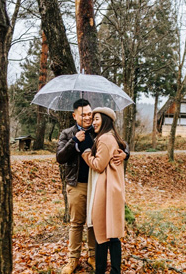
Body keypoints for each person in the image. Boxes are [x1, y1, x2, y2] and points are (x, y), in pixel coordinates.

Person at [56, 99, 128, 274]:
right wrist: (74, 141)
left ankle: (93, 257)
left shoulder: (98, 132)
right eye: (84, 114)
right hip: (77, 184)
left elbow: (119, 144)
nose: (89, 118)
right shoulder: (67, 133)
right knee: (77, 223)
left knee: (95, 224)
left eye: (91, 114)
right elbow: (60, 157)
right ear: (75, 116)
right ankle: (73, 259)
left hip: (98, 185)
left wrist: (125, 154)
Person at [81, 107, 126, 274]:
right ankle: (114, 270)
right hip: (111, 190)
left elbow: (99, 165)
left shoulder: (105, 138)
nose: (93, 122)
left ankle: (102, 270)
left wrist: (86, 153)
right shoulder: (109, 137)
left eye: (97, 118)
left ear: (106, 120)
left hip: (107, 191)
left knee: (102, 233)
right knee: (110, 233)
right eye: (93, 119)